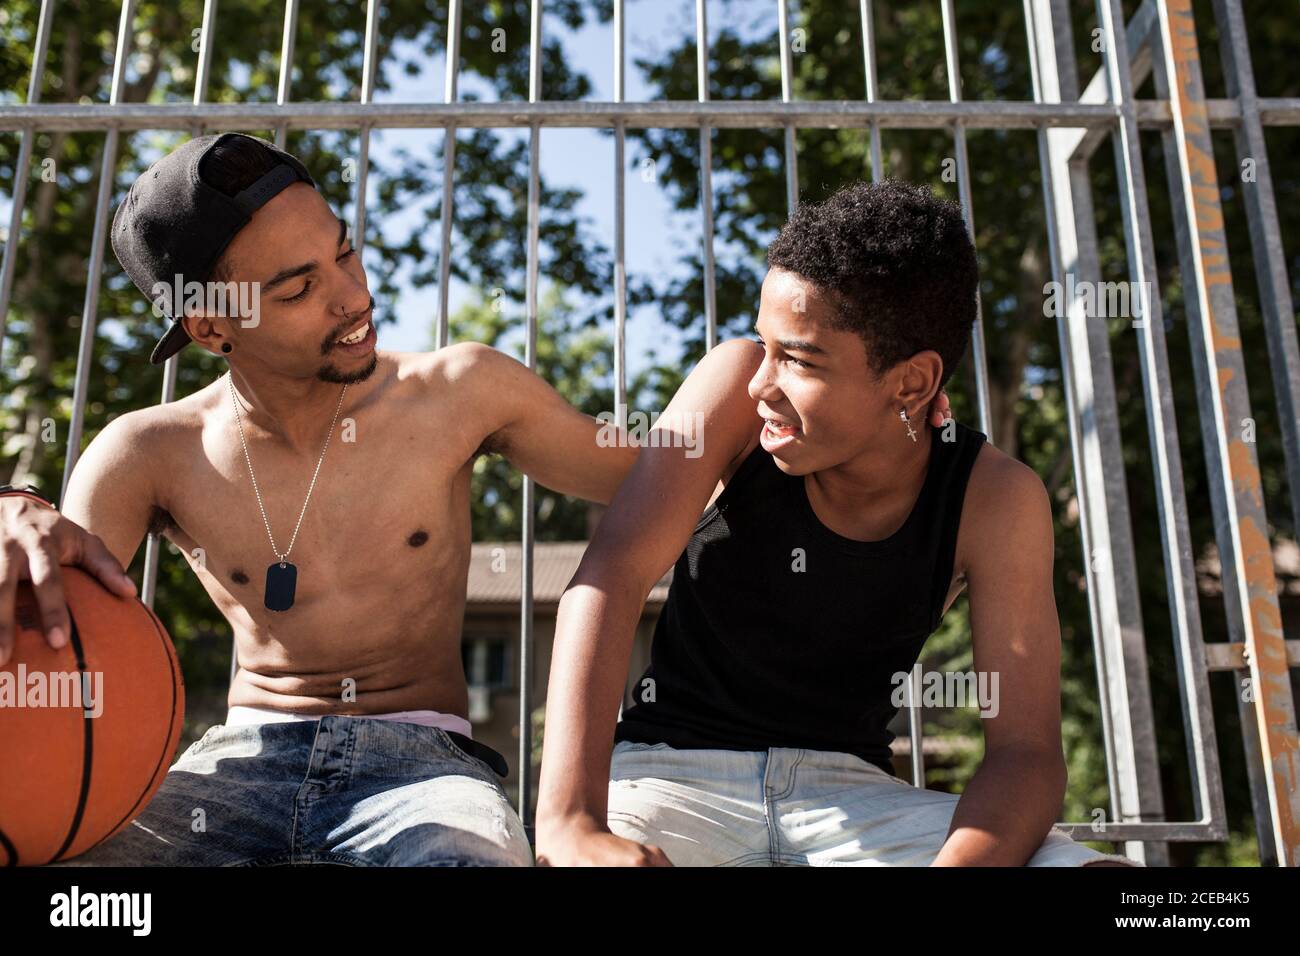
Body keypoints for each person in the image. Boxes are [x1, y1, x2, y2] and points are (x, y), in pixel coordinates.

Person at [533, 180, 1140, 867]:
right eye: (765, 346)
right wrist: (570, 822)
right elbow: (608, 581)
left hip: (855, 798)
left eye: (797, 359)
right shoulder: (735, 387)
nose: (764, 381)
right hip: (671, 775)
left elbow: (1026, 754)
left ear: (911, 384)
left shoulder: (995, 496)